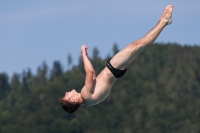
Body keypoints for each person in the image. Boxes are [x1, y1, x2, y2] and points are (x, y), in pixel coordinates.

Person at [60, 5, 173, 113]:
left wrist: (86, 58)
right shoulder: (85, 94)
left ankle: (163, 21)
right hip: (113, 68)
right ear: (72, 100)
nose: (66, 92)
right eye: (66, 96)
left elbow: (94, 76)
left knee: (139, 46)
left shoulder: (88, 100)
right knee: (139, 44)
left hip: (115, 72)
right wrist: (83, 55)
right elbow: (90, 72)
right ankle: (164, 21)